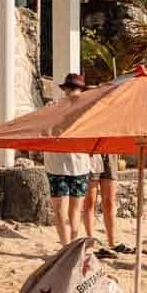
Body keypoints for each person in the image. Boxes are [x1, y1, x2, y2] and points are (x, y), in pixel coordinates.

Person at [45, 74, 92, 246]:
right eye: (71, 89)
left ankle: (70, 247)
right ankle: (67, 247)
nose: (72, 92)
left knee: (70, 211)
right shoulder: (53, 107)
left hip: (76, 165)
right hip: (60, 164)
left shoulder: (86, 111)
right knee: (64, 211)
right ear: (65, 90)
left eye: (75, 89)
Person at [82, 154, 128, 259]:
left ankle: (112, 243)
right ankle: (91, 243)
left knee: (109, 202)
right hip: (91, 152)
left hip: (109, 151)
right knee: (89, 201)